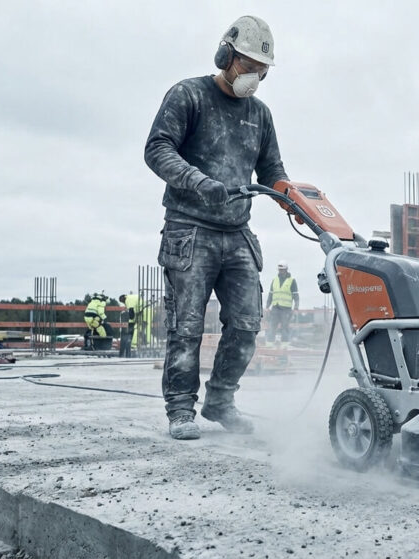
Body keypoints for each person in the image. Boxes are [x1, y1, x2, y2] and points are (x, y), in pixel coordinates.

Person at [144, 15, 288, 440]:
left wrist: (291, 199)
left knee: (246, 323)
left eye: (261, 70)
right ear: (225, 55)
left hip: (236, 231)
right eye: (246, 65)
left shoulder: (259, 115)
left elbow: (272, 169)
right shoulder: (188, 95)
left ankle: (220, 400)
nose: (254, 76)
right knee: (186, 326)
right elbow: (157, 149)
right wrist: (197, 182)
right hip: (190, 228)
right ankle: (180, 410)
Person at [265, 260, 299, 345]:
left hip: (286, 309)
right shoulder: (274, 280)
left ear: (286, 269)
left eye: (282, 269)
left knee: (285, 328)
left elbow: (296, 296)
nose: (281, 271)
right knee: (272, 327)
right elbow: (270, 294)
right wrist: (267, 306)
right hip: (275, 307)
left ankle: (285, 347)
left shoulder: (292, 281)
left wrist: (296, 308)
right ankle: (270, 346)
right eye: (279, 269)